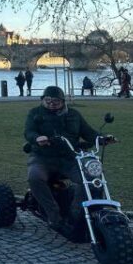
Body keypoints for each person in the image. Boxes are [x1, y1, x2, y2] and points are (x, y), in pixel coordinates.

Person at [24, 86, 107, 234]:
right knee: (34, 177)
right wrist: (37, 138)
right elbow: (29, 131)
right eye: (47, 100)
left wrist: (102, 138)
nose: (51, 103)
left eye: (55, 101)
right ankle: (54, 216)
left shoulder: (74, 115)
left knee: (90, 178)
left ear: (63, 101)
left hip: (69, 158)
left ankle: (76, 213)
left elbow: (88, 132)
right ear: (42, 100)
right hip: (43, 157)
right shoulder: (35, 113)